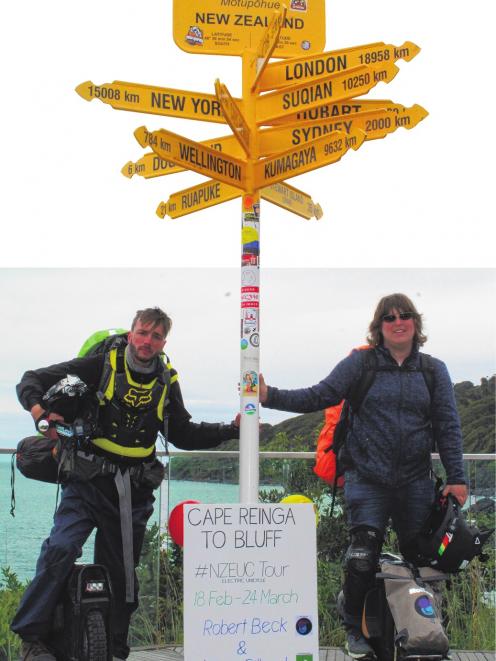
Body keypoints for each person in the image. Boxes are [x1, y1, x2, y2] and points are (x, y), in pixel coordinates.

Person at [12, 307, 240, 661]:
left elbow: (181, 432)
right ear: (131, 332)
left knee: (122, 573)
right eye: (143, 332)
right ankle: (32, 638)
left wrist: (232, 430)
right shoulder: (101, 364)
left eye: (156, 336)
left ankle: (114, 646)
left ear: (165, 341)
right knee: (60, 549)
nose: (148, 341)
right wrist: (41, 415)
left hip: (132, 492)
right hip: (87, 482)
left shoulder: (166, 380)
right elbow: (30, 379)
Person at [259, 293, 467, 659]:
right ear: (379, 327)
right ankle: (354, 625)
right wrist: (268, 395)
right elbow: (320, 394)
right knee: (360, 558)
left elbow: (448, 426)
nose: (398, 322)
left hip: (416, 481)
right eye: (389, 318)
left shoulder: (434, 370)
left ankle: (423, 631)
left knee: (422, 562)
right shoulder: (361, 364)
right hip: (367, 479)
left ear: (416, 324)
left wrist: (457, 477)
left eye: (405, 316)